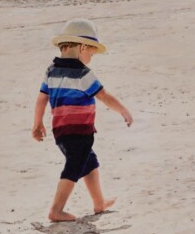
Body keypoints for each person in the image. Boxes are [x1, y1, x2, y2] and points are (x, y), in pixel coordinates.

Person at [32, 19, 133, 222]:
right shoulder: (82, 73)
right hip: (80, 131)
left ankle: (99, 203)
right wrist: (123, 110)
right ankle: (56, 210)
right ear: (83, 47)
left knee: (89, 163)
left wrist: (37, 123)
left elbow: (42, 98)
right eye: (92, 53)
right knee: (74, 166)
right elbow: (103, 95)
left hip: (60, 132)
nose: (91, 57)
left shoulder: (51, 70)